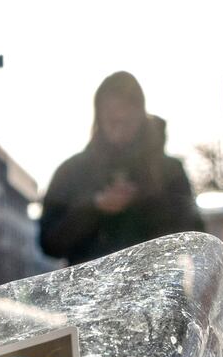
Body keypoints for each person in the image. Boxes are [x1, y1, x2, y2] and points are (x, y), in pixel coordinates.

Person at [39, 72, 203, 266]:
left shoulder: (169, 171)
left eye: (126, 118)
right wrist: (93, 207)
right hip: (91, 291)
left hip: (155, 286)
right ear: (100, 116)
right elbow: (48, 243)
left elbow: (194, 234)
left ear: (140, 114)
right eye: (113, 119)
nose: (119, 125)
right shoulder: (72, 172)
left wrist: (145, 199)